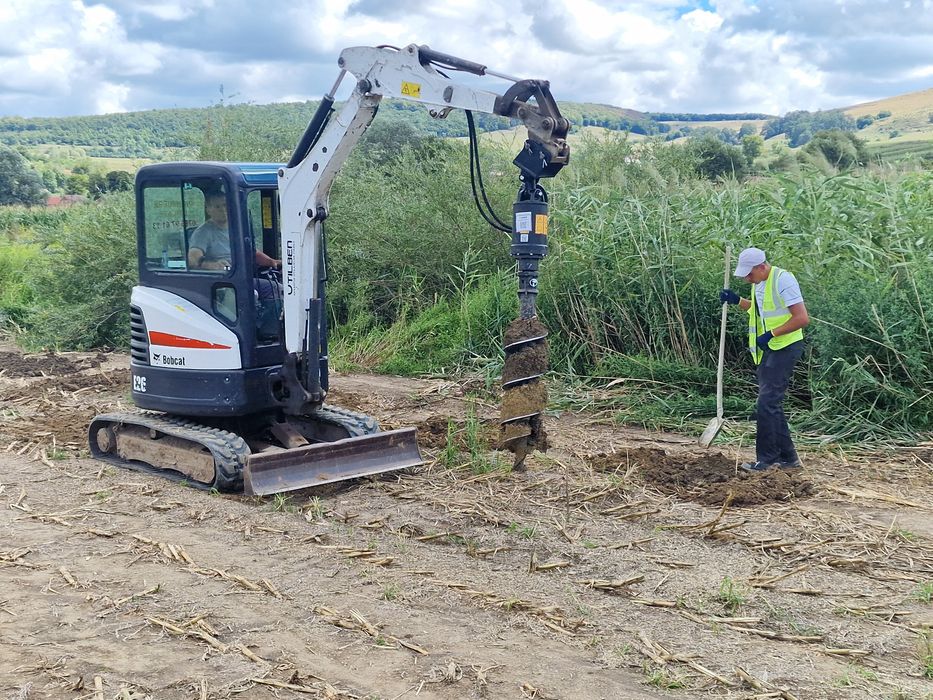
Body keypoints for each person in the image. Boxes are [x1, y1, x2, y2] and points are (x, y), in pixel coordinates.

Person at [720, 247, 810, 472]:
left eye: (750, 274)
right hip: (769, 350)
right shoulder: (759, 284)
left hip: (785, 347)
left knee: (767, 403)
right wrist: (737, 300)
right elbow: (759, 311)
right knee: (772, 404)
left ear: (762, 267)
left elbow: (801, 318)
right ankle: (789, 459)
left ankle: (767, 460)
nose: (748, 279)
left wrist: (772, 334)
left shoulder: (783, 280)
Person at [188, 193, 280, 272]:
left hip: (243, 274)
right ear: (208, 210)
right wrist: (212, 265)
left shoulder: (236, 228)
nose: (222, 209)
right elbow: (193, 259)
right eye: (217, 206)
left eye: (225, 205)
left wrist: (272, 262)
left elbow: (251, 252)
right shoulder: (203, 232)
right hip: (225, 280)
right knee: (275, 288)